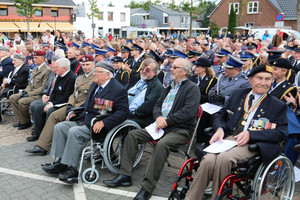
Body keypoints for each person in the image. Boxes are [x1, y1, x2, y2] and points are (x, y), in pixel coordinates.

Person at [185, 64, 288, 200]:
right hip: (228, 139)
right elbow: (220, 115)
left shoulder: (277, 105)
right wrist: (220, 129)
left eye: (268, 79)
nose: (264, 83)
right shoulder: (238, 94)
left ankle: (218, 197)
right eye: (259, 78)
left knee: (224, 158)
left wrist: (251, 134)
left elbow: (281, 133)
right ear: (250, 80)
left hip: (254, 144)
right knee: (208, 160)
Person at [103, 58, 200, 200]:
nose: (170, 69)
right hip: (160, 126)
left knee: (162, 145)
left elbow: (189, 112)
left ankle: (147, 188)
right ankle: (125, 175)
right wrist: (158, 117)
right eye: (171, 66)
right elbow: (157, 105)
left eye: (174, 67)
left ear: (184, 71)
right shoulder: (170, 86)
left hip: (180, 130)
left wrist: (167, 120)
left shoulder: (192, 88)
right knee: (133, 135)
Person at [42, 61, 129, 184]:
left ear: (107, 75)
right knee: (60, 127)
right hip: (85, 119)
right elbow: (88, 103)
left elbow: (124, 112)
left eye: (97, 72)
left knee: (74, 132)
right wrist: (75, 111)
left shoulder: (118, 90)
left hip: (99, 126)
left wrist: (104, 122)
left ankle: (72, 170)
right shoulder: (96, 84)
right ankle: (60, 162)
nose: (94, 74)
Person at [25, 55, 95, 155]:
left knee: (52, 113)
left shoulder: (94, 78)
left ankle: (46, 144)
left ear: (94, 64)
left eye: (88, 64)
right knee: (52, 115)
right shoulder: (80, 78)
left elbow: (90, 98)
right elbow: (73, 94)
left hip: (82, 107)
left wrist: (74, 109)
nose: (85, 67)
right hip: (73, 105)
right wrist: (70, 105)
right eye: (83, 65)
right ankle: (42, 146)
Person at [27, 58, 76, 142]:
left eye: (56, 67)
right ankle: (37, 133)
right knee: (38, 107)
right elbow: (53, 92)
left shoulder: (71, 78)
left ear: (64, 68)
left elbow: (67, 96)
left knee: (50, 111)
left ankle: (48, 137)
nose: (54, 69)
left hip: (63, 103)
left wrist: (52, 104)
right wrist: (50, 102)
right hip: (55, 102)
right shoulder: (59, 76)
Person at [9, 50, 51, 130]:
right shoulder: (35, 69)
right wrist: (25, 92)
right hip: (30, 92)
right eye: (34, 57)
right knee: (13, 98)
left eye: (36, 58)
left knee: (22, 101)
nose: (33, 59)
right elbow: (30, 84)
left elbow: (42, 88)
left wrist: (28, 94)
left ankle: (26, 122)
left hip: (38, 94)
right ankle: (20, 120)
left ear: (42, 59)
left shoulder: (47, 70)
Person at [127, 58, 164, 128]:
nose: (143, 71)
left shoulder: (157, 87)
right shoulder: (137, 78)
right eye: (142, 69)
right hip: (126, 110)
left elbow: (146, 107)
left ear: (155, 73)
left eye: (147, 70)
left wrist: (130, 113)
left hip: (140, 117)